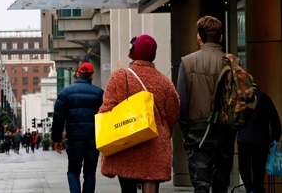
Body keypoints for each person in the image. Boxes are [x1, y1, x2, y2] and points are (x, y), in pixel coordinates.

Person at [99, 34, 180, 193]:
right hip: (155, 143)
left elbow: (107, 109)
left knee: (127, 185)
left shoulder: (119, 77)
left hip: (126, 143)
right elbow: (173, 112)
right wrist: (163, 132)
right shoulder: (164, 82)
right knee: (150, 180)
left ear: (132, 53)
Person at [176, 15, 232, 193]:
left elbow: (182, 101)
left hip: (197, 132)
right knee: (221, 185)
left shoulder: (187, 62)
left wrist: (186, 129)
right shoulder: (232, 63)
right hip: (225, 132)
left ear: (198, 37)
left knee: (201, 185)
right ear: (220, 37)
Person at [51, 61, 104, 193]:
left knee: (73, 171)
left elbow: (58, 118)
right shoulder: (99, 93)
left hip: (74, 139)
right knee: (90, 174)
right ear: (92, 76)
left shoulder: (66, 92)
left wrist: (57, 139)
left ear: (77, 74)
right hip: (93, 139)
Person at [237, 81, 281, 193]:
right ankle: (258, 189)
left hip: (244, 139)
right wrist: (274, 138)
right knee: (258, 169)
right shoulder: (265, 98)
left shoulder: (242, 98)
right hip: (261, 139)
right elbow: (275, 119)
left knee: (244, 167)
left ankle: (249, 189)